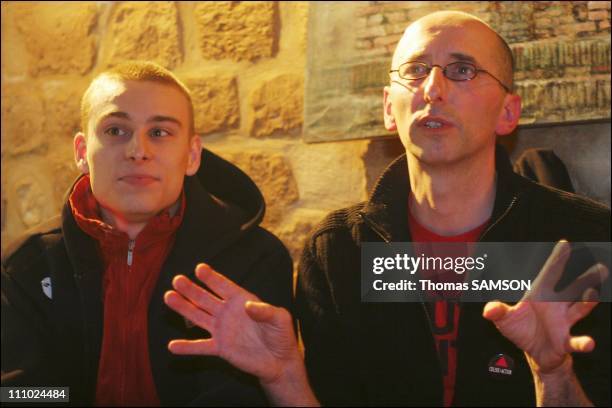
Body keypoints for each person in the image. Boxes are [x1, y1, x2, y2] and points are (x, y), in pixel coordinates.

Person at [296, 10, 610, 406]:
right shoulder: (337, 250)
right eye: (415, 69)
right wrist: (280, 375)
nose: (433, 89)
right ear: (389, 109)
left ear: (508, 112)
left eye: (462, 70)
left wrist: (553, 372)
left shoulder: (585, 242)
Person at [1, 61, 294, 406]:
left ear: (192, 155)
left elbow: (242, 397)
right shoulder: (25, 267)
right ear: (82, 153)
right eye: (115, 131)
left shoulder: (255, 258)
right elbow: (19, 393)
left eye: (159, 133)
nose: (138, 151)